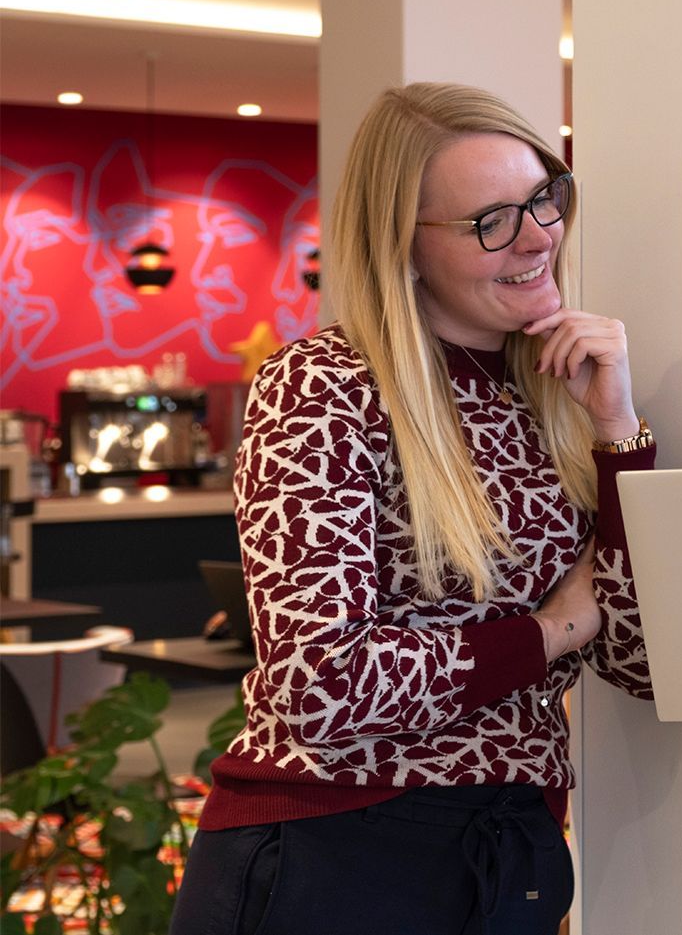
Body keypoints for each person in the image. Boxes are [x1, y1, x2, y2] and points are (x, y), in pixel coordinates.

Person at [170, 82, 655, 935]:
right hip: (333, 849)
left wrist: (618, 435)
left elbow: (645, 661)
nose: (538, 236)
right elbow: (321, 684)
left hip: (508, 849)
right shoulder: (322, 386)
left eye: (544, 197)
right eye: (489, 221)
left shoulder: (554, 392)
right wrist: (554, 629)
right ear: (405, 246)